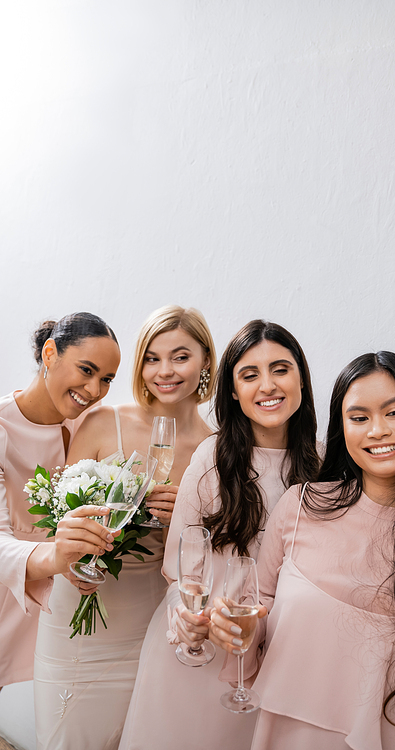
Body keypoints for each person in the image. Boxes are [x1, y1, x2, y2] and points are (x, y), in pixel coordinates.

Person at [212, 351, 395, 750]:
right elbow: (258, 604)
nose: (377, 430)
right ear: (342, 429)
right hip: (284, 736)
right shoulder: (300, 505)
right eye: (359, 418)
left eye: (394, 412)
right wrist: (238, 629)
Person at [118, 320, 320, 750]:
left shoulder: (324, 468)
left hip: (274, 660)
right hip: (198, 653)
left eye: (280, 369)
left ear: (301, 377)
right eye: (249, 375)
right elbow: (178, 567)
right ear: (232, 391)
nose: (267, 385)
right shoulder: (212, 456)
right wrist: (189, 623)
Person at [33, 305, 216, 750]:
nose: (164, 371)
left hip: (150, 622)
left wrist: (185, 524)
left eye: (180, 357)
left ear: (206, 362)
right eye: (152, 358)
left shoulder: (217, 448)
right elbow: (57, 526)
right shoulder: (102, 421)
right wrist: (72, 560)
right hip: (81, 611)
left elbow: (213, 551)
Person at [0, 312, 121, 689]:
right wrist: (56, 557)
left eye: (106, 380)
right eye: (86, 370)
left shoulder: (89, 428)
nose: (94, 389)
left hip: (47, 611)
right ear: (50, 353)